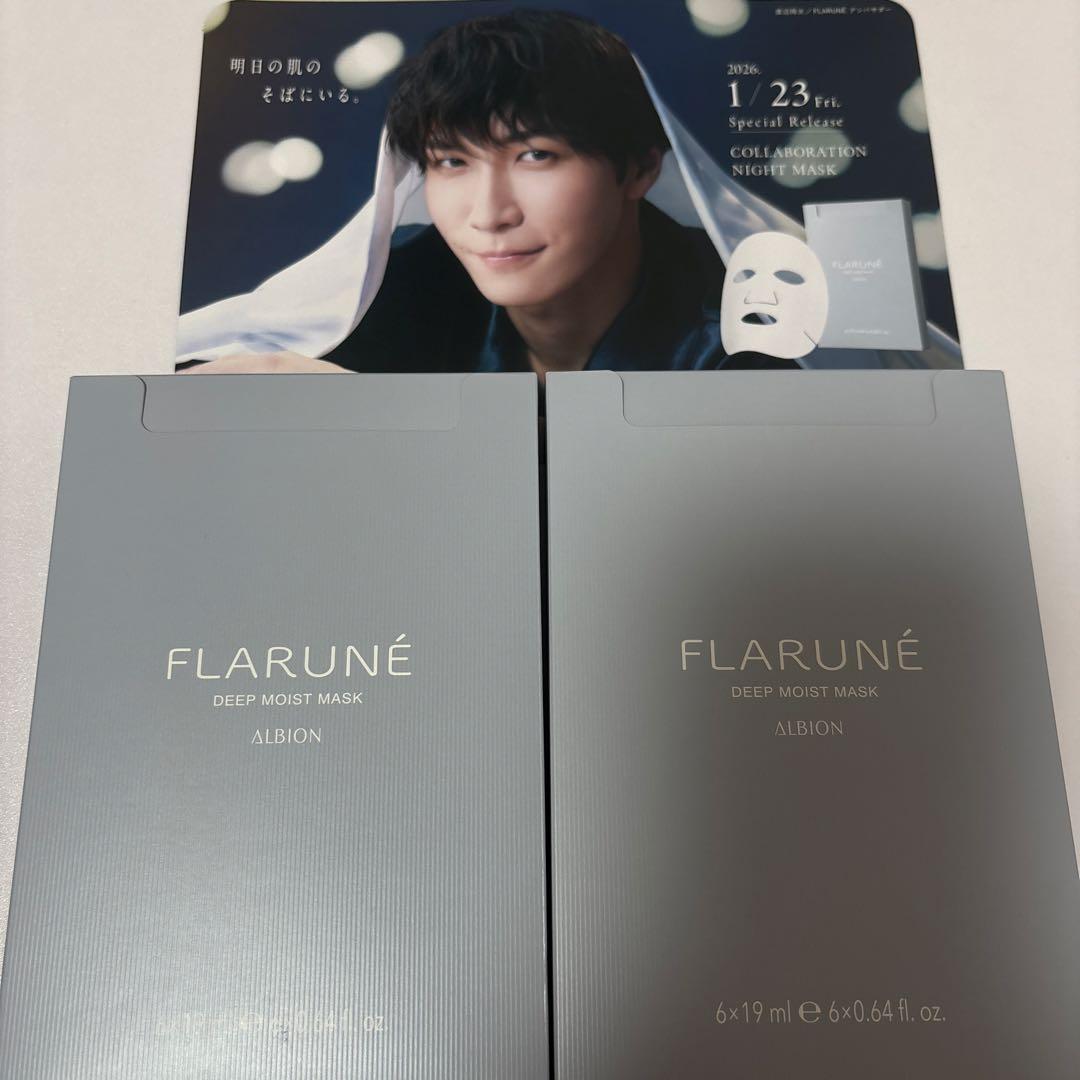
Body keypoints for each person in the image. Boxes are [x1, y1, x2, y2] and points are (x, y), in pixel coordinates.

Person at [188, 10, 796, 378]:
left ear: (639, 169)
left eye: (536, 156)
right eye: (451, 162)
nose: (488, 215)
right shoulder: (401, 290)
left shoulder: (749, 334)